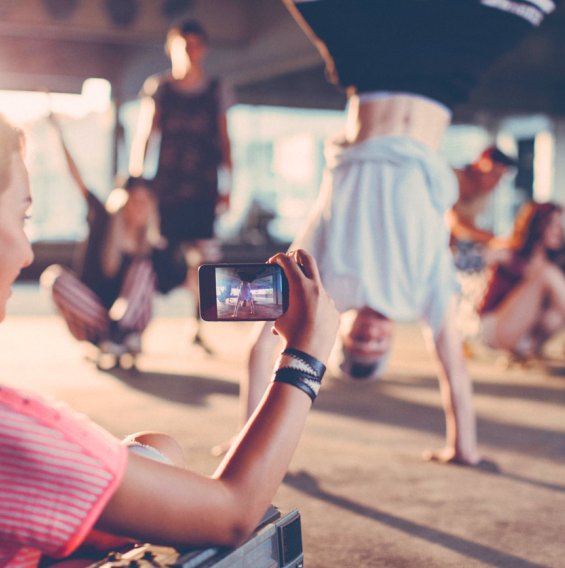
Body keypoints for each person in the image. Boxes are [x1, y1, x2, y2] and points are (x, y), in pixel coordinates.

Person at [0, 113, 339, 566]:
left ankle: (122, 341)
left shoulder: (153, 250)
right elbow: (234, 514)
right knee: (166, 468)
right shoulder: (18, 432)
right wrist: (305, 355)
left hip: (124, 322)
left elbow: (181, 283)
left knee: (158, 448)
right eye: (23, 218)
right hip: (95, 320)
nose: (26, 253)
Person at [240, 0, 565, 466]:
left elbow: (263, 349)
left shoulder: (324, 280)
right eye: (378, 343)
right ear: (393, 339)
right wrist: (463, 448)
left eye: (358, 341)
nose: (370, 334)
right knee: (528, 10)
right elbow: (452, 366)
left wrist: (247, 449)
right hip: (440, 82)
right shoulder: (422, 294)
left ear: (344, 331)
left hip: (370, 69)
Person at [129, 18, 234, 352]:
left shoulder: (216, 89)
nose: (190, 52)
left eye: (195, 45)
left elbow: (225, 140)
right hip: (168, 190)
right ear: (171, 48)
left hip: (204, 189)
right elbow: (147, 135)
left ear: (204, 49)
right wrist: (135, 181)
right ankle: (138, 324)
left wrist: (229, 184)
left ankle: (198, 326)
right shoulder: (160, 87)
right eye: (184, 45)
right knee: (157, 258)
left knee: (205, 262)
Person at [41, 114, 162, 366]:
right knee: (54, 278)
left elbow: (166, 284)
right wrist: (58, 133)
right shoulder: (103, 219)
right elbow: (77, 177)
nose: (140, 208)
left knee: (143, 269)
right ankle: (111, 337)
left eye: (145, 203)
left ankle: (119, 335)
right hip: (93, 318)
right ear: (124, 202)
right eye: (134, 201)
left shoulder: (152, 243)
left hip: (132, 321)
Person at [478, 201, 565, 360]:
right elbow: (483, 257)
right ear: (538, 226)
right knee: (548, 274)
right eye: (554, 225)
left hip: (526, 335)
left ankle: (531, 346)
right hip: (495, 330)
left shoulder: (554, 263)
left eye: (561, 226)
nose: (560, 232)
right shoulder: (510, 254)